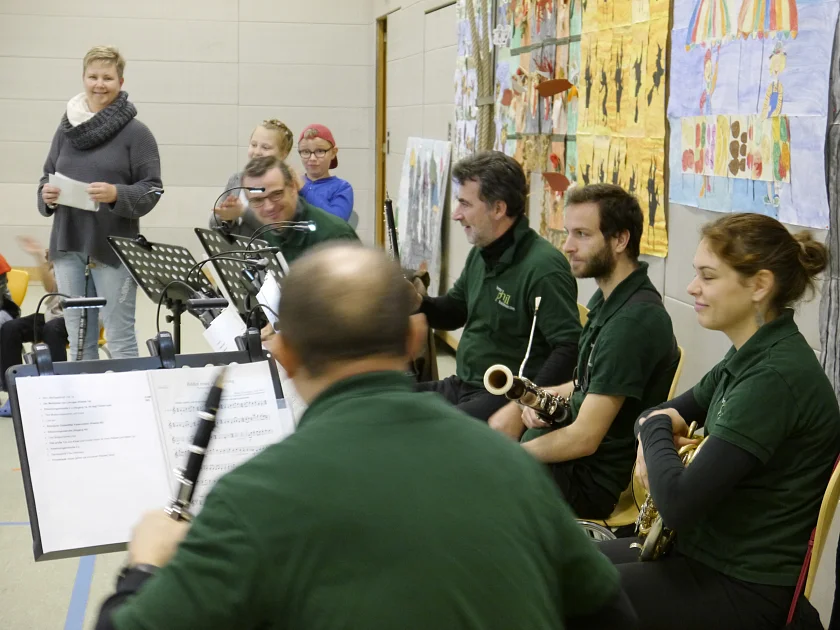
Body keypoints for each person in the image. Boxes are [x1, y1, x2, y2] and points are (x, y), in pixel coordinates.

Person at [94, 243, 637, 630]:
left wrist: (144, 565)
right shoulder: (511, 465)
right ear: (412, 341)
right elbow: (608, 613)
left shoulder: (252, 496)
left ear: (285, 356)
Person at [601, 213, 840, 630]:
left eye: (707, 277)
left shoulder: (774, 377)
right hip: (700, 555)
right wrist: (656, 431)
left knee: (570, 591)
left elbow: (676, 502)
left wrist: (655, 436)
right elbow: (655, 414)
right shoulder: (749, 355)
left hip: (742, 586)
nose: (692, 287)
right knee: (556, 562)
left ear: (759, 285)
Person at [490, 184, 679, 519]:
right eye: (568, 233)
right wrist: (541, 396)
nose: (567, 246)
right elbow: (587, 384)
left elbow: (584, 439)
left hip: (589, 479)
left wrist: (509, 456)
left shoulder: (631, 323)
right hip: (573, 461)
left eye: (582, 234)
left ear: (620, 240)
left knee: (472, 482)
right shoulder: (610, 301)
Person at [411, 151, 582, 421]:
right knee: (380, 400)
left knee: (424, 428)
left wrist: (525, 404)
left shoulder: (543, 268)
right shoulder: (482, 251)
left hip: (504, 396)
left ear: (498, 209)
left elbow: (569, 347)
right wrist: (419, 303)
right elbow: (455, 311)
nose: (456, 215)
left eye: (465, 204)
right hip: (463, 385)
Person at [37, 45, 162, 360]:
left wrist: (117, 194)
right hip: (68, 245)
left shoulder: (137, 133)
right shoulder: (65, 129)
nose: (99, 84)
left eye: (107, 77)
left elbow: (153, 189)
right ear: (83, 78)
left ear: (121, 81)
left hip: (113, 248)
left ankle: (128, 393)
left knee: (120, 339)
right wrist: (46, 195)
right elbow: (46, 176)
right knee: (80, 342)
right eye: (93, 77)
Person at [240, 155, 358, 264]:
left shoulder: (334, 237)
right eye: (258, 200)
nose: (269, 207)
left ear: (293, 187)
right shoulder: (269, 229)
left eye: (276, 194)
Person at [0, 237, 68, 418]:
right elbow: (51, 287)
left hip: (80, 317)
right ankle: (13, 392)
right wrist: (40, 257)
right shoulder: (63, 257)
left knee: (51, 329)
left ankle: (57, 391)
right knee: (10, 328)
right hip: (53, 314)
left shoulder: (92, 261)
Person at [211, 119, 295, 235]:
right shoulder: (236, 180)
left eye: (266, 147)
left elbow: (278, 230)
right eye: (253, 145)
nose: (257, 152)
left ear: (283, 154)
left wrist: (242, 212)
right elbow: (214, 224)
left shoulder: (286, 186)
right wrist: (226, 217)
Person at [297, 124, 354, 221]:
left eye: (320, 151)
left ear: (333, 153)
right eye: (305, 152)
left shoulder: (342, 188)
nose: (312, 158)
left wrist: (304, 189)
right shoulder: (292, 184)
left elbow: (337, 221)